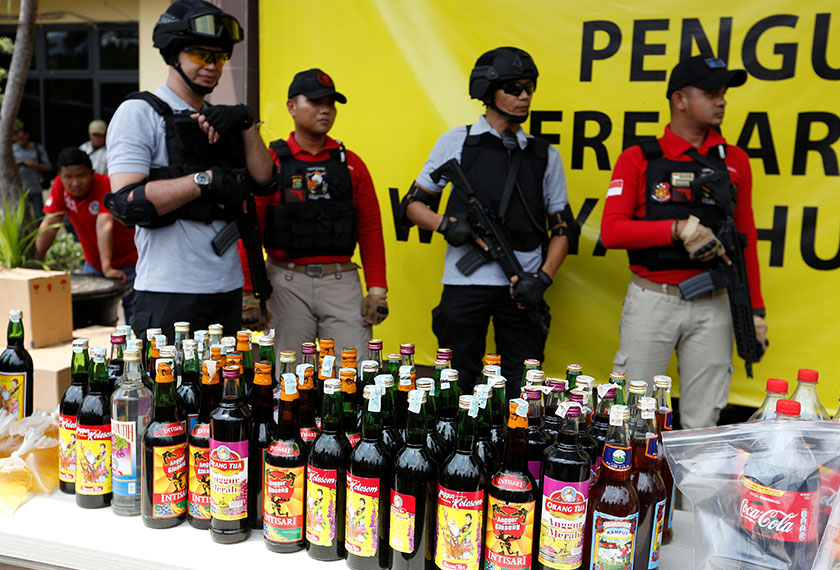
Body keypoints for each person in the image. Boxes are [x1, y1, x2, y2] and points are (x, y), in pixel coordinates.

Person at [600, 54, 769, 429]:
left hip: (715, 306)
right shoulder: (638, 159)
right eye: (711, 93)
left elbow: (747, 241)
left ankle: (690, 492)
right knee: (632, 418)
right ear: (680, 99)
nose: (721, 100)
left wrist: (755, 311)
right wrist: (677, 229)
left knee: (703, 425)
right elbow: (612, 231)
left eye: (723, 93)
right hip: (653, 300)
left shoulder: (735, 159)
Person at [404, 47, 575, 397]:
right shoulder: (458, 142)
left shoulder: (545, 155)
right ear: (488, 92)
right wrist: (447, 226)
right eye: (514, 88)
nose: (524, 96)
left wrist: (543, 278)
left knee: (523, 384)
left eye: (529, 87)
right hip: (465, 283)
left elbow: (563, 230)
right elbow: (412, 205)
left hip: (522, 285)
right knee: (456, 378)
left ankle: (513, 448)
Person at [103, 0, 276, 342]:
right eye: (200, 54)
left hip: (227, 290)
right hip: (169, 291)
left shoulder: (223, 120)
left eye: (219, 57)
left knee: (225, 394)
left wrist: (244, 121)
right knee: (168, 394)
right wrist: (205, 180)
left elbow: (265, 180)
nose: (212, 66)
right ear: (174, 55)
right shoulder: (140, 112)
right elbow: (127, 203)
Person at [251, 68, 388, 355]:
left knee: (350, 375)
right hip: (284, 283)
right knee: (286, 375)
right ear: (291, 106)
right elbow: (250, 231)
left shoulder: (351, 164)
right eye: (314, 102)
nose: (325, 110)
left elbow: (370, 228)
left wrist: (377, 289)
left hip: (341, 282)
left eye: (330, 103)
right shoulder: (271, 161)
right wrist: (249, 293)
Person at [36, 148, 138, 324]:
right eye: (68, 177)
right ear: (60, 176)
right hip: (93, 265)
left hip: (130, 263)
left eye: (81, 175)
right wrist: (35, 261)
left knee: (134, 317)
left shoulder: (105, 184)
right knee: (93, 319)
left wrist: (107, 267)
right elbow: (50, 224)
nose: (75, 183)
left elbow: (104, 223)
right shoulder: (60, 186)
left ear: (92, 173)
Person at [12, 124, 52, 216]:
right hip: (19, 189)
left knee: (39, 216)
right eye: (18, 139)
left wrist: (34, 165)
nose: (20, 141)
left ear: (27, 135)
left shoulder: (38, 148)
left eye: (22, 138)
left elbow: (48, 167)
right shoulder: (13, 149)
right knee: (21, 216)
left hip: (35, 187)